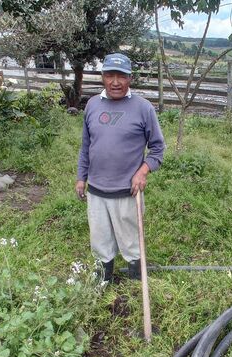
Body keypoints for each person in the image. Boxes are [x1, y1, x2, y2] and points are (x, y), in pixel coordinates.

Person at [76, 53, 165, 282]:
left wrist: (142, 171)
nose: (115, 82)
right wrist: (81, 177)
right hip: (96, 190)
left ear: (130, 78)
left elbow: (157, 149)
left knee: (131, 241)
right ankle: (104, 278)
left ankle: (136, 279)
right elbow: (86, 146)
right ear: (103, 77)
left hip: (127, 191)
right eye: (110, 75)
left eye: (121, 76)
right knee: (100, 239)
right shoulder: (93, 105)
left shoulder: (143, 108)